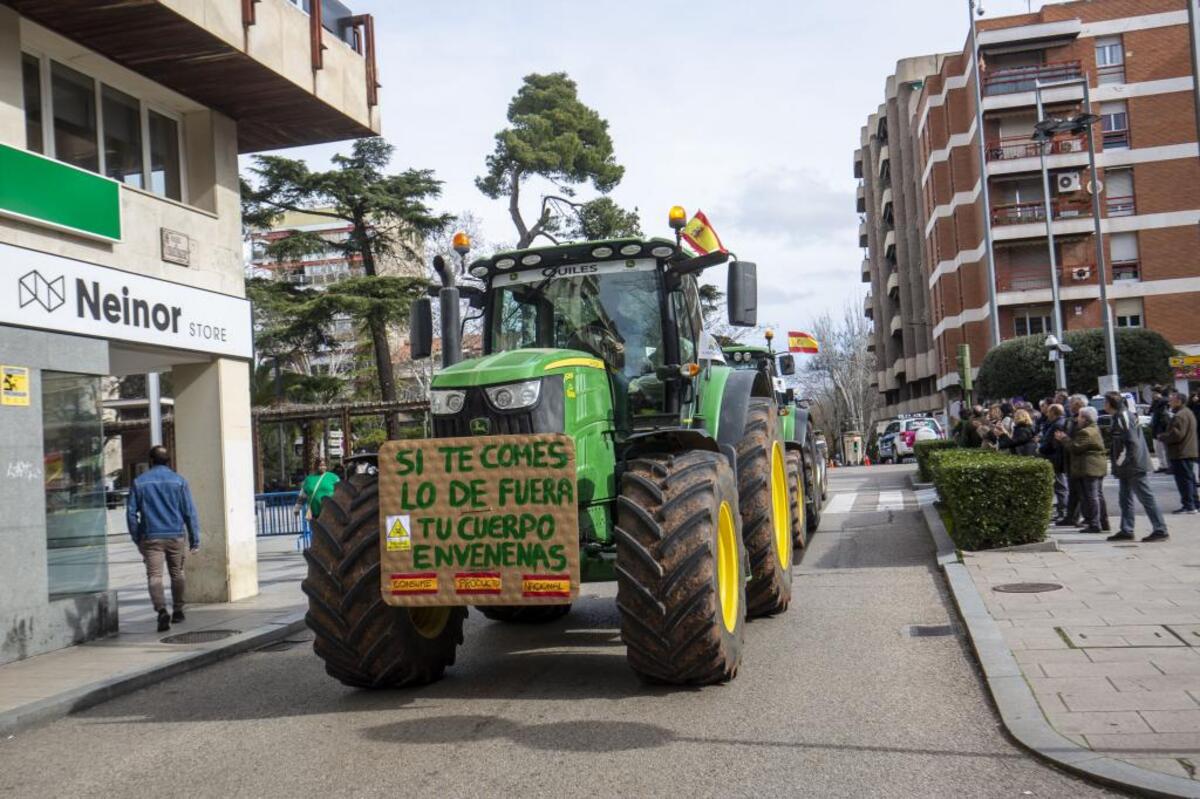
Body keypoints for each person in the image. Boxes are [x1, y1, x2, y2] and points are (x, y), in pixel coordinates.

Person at [126, 445, 200, 632]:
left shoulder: (139, 482)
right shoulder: (179, 481)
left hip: (151, 537)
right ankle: (178, 610)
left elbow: (130, 514)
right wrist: (194, 538)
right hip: (175, 535)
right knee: (177, 573)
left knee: (154, 576)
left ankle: (161, 610)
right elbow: (189, 512)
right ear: (168, 460)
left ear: (151, 461)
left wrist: (137, 538)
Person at [1104, 392, 1168, 542]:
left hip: (1133, 466)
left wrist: (1122, 462)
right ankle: (1126, 529)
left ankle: (1160, 529)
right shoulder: (1119, 416)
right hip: (1127, 466)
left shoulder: (1123, 417)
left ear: (1111, 403)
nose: (1104, 405)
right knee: (1125, 498)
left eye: (1105, 402)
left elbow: (1131, 443)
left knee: (1146, 498)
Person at [1058, 406, 1108, 533]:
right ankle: (1103, 522)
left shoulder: (1085, 432)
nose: (1077, 419)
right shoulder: (1094, 428)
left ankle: (1095, 524)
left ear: (1085, 419)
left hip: (1089, 467)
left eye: (1079, 416)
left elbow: (1075, 448)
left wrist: (1064, 439)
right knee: (1097, 495)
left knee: (1092, 496)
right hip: (1096, 467)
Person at [1158, 391, 1198, 514]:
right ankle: (1194, 503)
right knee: (1189, 479)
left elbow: (1177, 435)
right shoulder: (1187, 412)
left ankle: (1189, 505)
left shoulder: (1180, 415)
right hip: (1187, 451)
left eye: (1172, 400)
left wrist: (1163, 436)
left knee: (1184, 481)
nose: (1170, 402)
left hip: (1181, 452)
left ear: (1179, 401)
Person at [1040, 403, 1069, 520]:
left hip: (1056, 458)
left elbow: (1053, 444)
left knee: (1060, 486)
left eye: (1049, 412)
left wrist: (1042, 448)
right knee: (1059, 485)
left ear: (1053, 413)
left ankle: (1063, 511)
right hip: (1056, 458)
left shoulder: (1057, 425)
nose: (1047, 414)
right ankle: (1062, 511)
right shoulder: (1058, 423)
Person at [295, 457, 341, 523]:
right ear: (315, 466)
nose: (323, 467)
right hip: (315, 514)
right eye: (320, 465)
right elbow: (302, 495)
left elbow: (340, 493)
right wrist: (297, 508)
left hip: (330, 513)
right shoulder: (309, 479)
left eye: (324, 465)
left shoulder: (334, 477)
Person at [1150, 389, 1172, 474]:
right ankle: (1163, 465)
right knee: (1158, 449)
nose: (1154, 395)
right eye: (1153, 393)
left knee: (1164, 449)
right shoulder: (1155, 403)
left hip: (1162, 429)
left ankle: (1167, 466)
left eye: (1156, 393)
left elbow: (1164, 418)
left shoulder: (1164, 403)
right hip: (1156, 429)